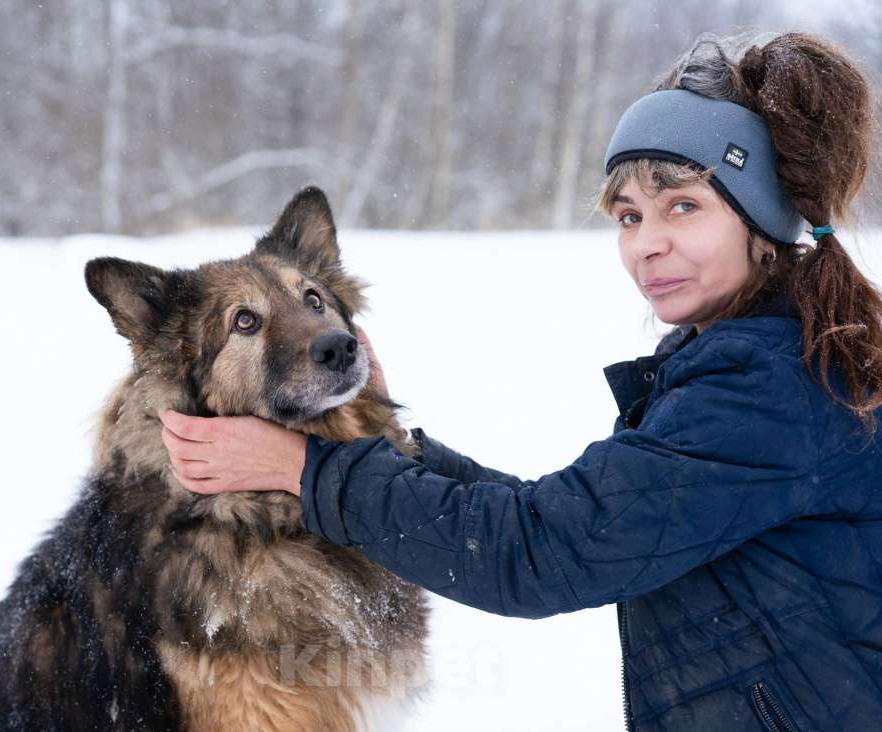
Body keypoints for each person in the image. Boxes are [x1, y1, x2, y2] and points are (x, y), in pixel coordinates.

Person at [159, 31, 882, 730]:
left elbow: (542, 552)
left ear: (760, 220)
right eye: (628, 216)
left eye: (682, 207)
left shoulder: (770, 387)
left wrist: (310, 471)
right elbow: (572, 516)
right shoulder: (762, 356)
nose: (646, 244)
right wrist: (396, 445)